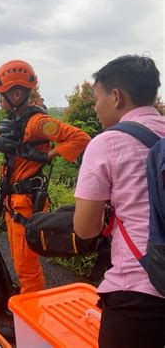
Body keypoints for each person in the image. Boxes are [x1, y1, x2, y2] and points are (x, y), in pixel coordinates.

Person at [73, 55, 165, 347]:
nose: (94, 107)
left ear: (116, 97)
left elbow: (85, 229)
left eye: (97, 97)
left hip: (138, 291)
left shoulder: (106, 143)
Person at [0, 60, 90, 294]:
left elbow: (80, 138)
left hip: (26, 202)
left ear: (17, 93)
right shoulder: (11, 121)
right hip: (13, 201)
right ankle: (27, 306)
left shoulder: (38, 123)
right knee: (20, 260)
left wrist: (45, 156)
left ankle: (31, 314)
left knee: (26, 266)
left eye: (2, 95)